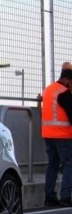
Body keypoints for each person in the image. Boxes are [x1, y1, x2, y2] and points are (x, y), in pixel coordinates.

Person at [41, 61, 72, 206]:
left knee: (52, 165)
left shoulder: (48, 89)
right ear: (66, 79)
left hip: (47, 134)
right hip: (62, 135)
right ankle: (66, 196)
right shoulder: (64, 92)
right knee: (69, 164)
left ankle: (49, 197)